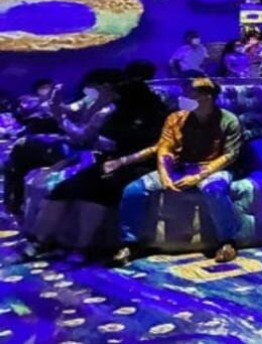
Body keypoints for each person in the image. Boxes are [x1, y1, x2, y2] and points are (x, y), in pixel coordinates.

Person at [26, 75, 170, 257]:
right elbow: (101, 141)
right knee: (63, 189)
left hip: (141, 164)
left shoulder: (157, 116)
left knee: (98, 191)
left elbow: (156, 147)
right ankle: (40, 240)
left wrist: (122, 161)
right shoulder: (115, 114)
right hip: (112, 161)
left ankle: (83, 245)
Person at [112, 78, 243, 266]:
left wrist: (199, 176)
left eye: (190, 94)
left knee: (214, 190)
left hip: (213, 168)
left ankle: (227, 241)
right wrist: (165, 175)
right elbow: (164, 149)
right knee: (133, 190)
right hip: (180, 167)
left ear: (207, 96)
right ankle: (129, 243)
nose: (184, 98)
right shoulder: (175, 118)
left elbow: (230, 155)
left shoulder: (228, 120)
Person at [3, 69, 122, 215]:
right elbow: (70, 109)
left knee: (24, 149)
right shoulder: (90, 100)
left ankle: (17, 205)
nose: (89, 90)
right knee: (20, 149)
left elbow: (83, 137)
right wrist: (55, 102)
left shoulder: (109, 110)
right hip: (73, 144)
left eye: (94, 87)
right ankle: (15, 203)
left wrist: (61, 119)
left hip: (90, 152)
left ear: (106, 87)